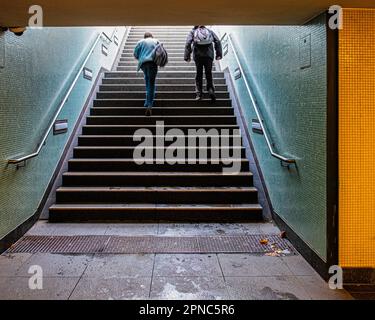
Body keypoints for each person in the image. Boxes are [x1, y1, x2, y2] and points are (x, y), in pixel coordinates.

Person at [184, 26, 223, 101]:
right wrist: (219, 54)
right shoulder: (209, 30)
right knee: (209, 73)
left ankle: (199, 94)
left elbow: (188, 43)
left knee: (199, 74)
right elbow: (217, 41)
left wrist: (187, 56)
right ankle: (211, 89)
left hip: (198, 55)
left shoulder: (193, 32)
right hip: (209, 55)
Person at [134, 32, 159, 116]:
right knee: (151, 83)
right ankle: (149, 105)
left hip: (143, 64)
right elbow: (161, 52)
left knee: (147, 80)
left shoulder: (140, 42)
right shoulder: (156, 41)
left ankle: (147, 101)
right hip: (153, 63)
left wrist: (141, 57)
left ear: (144, 37)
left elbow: (135, 54)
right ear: (152, 36)